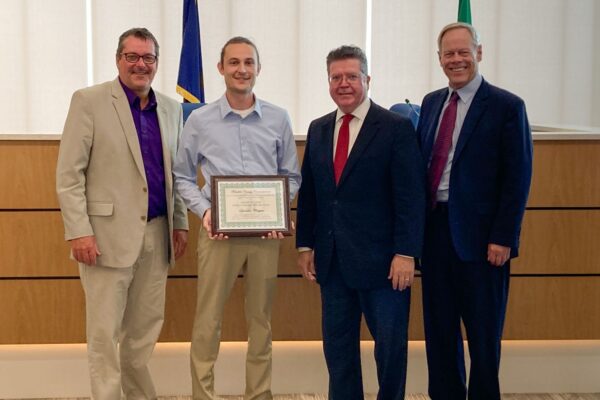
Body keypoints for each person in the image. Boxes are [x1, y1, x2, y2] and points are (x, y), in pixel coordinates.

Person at [55, 28, 189, 399]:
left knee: (143, 333)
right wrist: (78, 231)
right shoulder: (89, 101)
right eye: (132, 56)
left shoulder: (172, 108)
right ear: (118, 59)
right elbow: (69, 175)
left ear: (157, 64)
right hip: (104, 239)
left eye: (147, 58)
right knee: (104, 335)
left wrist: (179, 223)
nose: (140, 65)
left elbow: (175, 173)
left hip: (157, 235)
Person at [173, 36, 301, 400]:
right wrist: (206, 211)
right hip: (218, 234)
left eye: (248, 62)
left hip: (265, 238)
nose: (241, 69)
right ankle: (203, 395)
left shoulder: (278, 118)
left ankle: (259, 394)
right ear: (221, 68)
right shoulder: (199, 120)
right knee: (207, 320)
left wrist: (278, 213)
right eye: (234, 63)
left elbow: (292, 176)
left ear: (258, 69)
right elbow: (182, 175)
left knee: (260, 321)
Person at [295, 45, 426, 400]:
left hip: (385, 266)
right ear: (328, 83)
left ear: (367, 79)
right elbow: (312, 195)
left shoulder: (396, 128)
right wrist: (305, 244)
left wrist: (406, 253)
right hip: (334, 263)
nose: (344, 84)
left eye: (352, 76)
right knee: (338, 353)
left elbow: (411, 197)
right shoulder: (319, 128)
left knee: (390, 352)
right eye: (336, 77)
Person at [417, 22, 533, 400]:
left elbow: (518, 178)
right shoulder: (432, 102)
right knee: (440, 333)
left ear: (478, 54)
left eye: (463, 52)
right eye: (448, 54)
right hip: (435, 235)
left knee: (483, 339)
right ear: (439, 60)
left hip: (483, 242)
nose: (456, 60)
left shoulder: (506, 106)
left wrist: (503, 236)